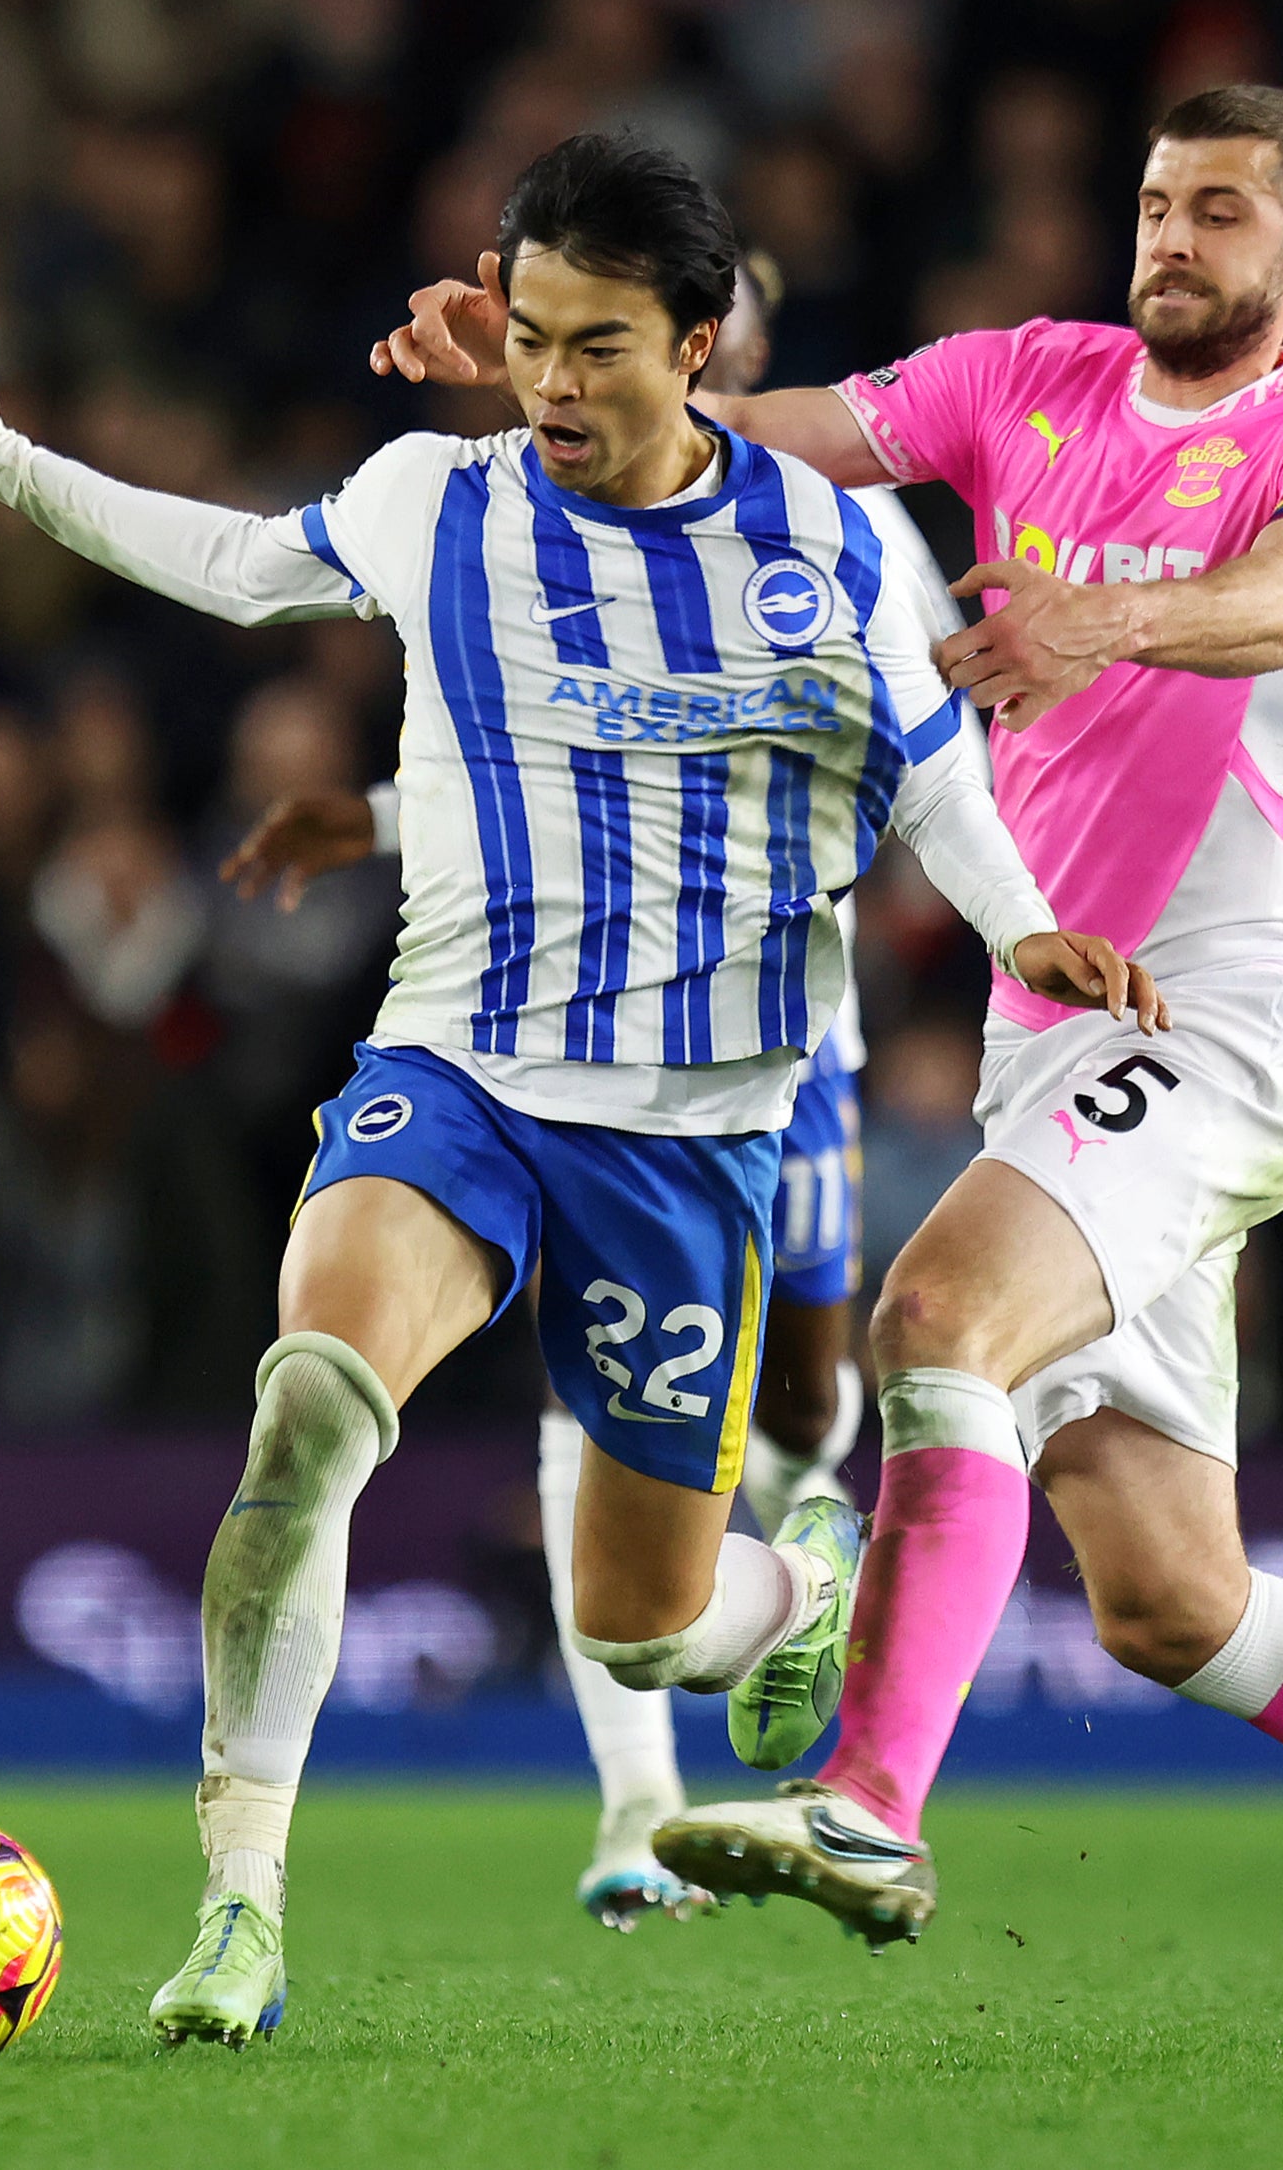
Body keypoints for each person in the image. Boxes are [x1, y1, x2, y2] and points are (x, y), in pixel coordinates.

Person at [372, 81, 1283, 2049]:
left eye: (1221, 214)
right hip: (1058, 1041)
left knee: (937, 1312)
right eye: (1156, 202)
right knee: (1171, 1601)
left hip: (1223, 1014)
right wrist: (540, 392)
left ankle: (867, 1804)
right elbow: (755, 444)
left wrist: (1111, 619)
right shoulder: (1022, 379)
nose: (1173, 238)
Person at [0, 131, 1161, 2048]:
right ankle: (239, 1906)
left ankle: (794, 1577)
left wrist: (1022, 923)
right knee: (309, 1405)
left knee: (640, 1623)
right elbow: (234, 569)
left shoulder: (822, 546)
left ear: (700, 345)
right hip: (461, 1069)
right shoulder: (437, 501)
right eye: (537, 341)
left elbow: (924, 764)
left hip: (691, 1141)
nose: (558, 386)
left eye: (600, 347)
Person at [222, 249, 967, 1931]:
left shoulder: (835, 523)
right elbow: (558, 756)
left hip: (793, 1052)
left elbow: (924, 760)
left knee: (799, 1415)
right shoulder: (543, 510)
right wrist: (389, 817)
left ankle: (810, 1643)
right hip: (595, 1049)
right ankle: (637, 1803)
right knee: (589, 1380)